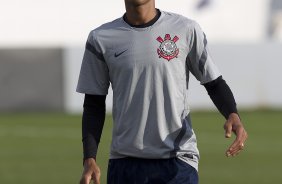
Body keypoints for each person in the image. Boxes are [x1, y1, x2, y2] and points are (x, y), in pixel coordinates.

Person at [77, 0, 248, 183]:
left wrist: (232, 114)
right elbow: (94, 103)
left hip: (178, 161)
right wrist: (90, 159)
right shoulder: (101, 38)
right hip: (125, 162)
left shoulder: (185, 29)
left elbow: (213, 82)